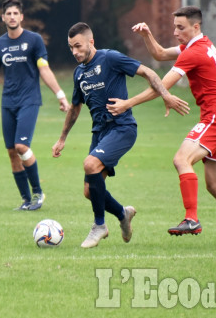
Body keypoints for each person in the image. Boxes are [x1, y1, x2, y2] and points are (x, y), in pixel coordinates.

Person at [106, 6, 216, 247]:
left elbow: (161, 86)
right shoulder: (200, 46)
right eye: (175, 27)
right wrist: (147, 35)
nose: (176, 32)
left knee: (182, 159)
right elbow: (159, 54)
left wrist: (127, 103)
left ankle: (191, 219)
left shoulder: (194, 53)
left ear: (196, 27)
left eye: (181, 28)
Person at [51, 22, 189, 248]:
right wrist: (62, 138)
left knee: (90, 164)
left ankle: (99, 227)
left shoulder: (110, 58)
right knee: (89, 191)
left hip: (122, 128)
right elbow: (75, 107)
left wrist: (165, 95)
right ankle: (122, 213)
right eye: (71, 48)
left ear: (90, 42)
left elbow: (148, 72)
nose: (75, 52)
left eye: (78, 46)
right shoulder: (79, 73)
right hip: (100, 132)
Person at [0, 0, 70, 211]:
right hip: (8, 102)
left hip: (29, 100)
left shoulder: (34, 40)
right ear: (3, 17)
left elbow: (44, 69)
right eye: (8, 14)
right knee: (12, 152)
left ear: (21, 17)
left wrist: (60, 94)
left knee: (22, 146)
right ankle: (25, 200)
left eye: (16, 13)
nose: (12, 17)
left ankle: (38, 193)